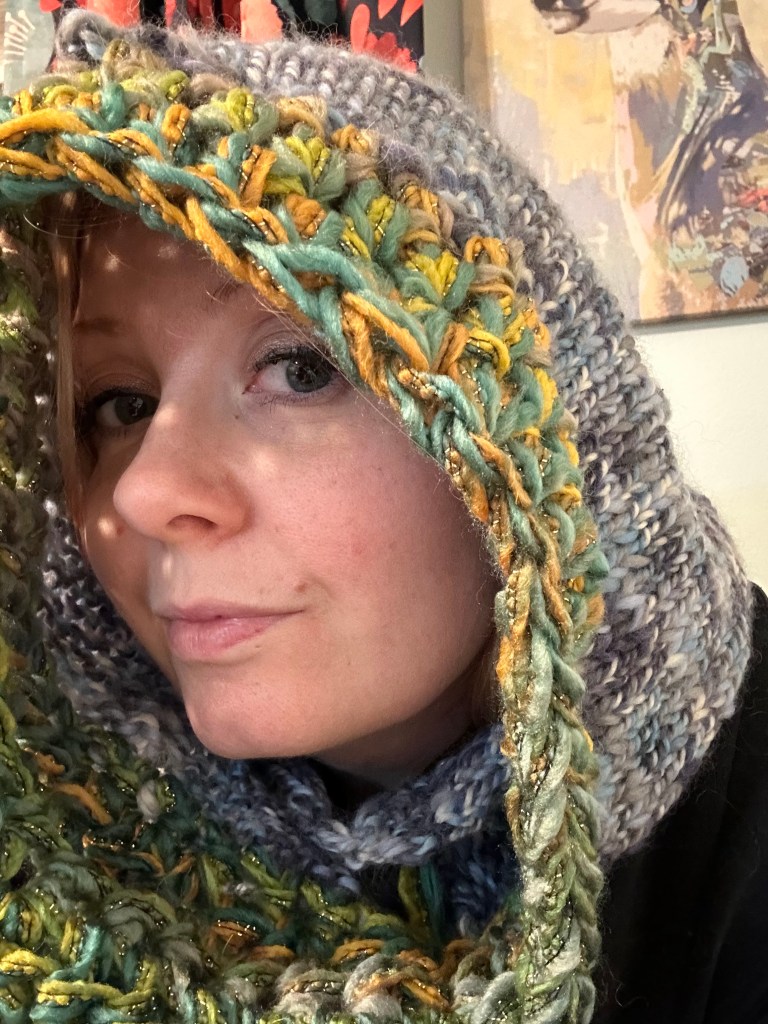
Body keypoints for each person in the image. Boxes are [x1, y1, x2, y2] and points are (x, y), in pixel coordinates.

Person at [0, 12, 764, 1024]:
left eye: (299, 367)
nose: (144, 491)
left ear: (532, 429)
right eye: (122, 404)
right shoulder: (72, 827)